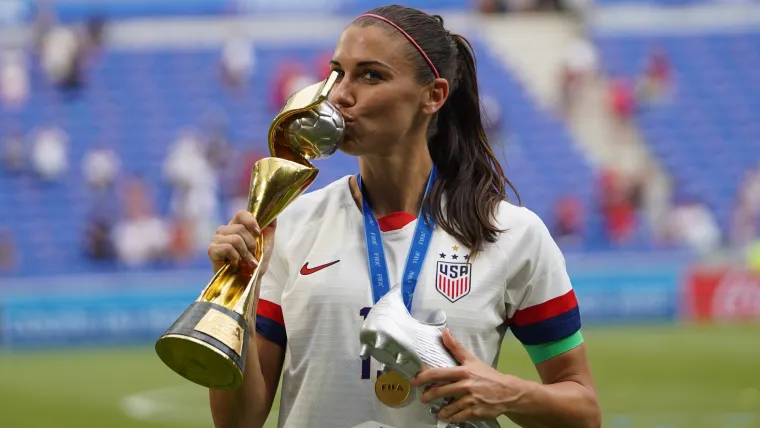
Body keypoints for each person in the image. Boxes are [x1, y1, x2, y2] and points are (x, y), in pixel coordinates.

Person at [207, 5, 600, 428]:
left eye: (371, 75)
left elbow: (583, 410)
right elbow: (238, 421)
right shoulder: (290, 224)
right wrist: (235, 300)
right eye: (337, 72)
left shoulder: (511, 234)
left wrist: (507, 392)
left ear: (434, 95)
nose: (339, 95)